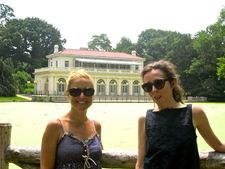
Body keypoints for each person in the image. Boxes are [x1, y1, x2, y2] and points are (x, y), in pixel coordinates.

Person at [135, 60, 225, 169]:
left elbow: (218, 145)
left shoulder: (194, 113)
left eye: (158, 83)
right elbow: (140, 164)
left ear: (173, 83)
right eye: (147, 87)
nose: (153, 90)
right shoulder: (144, 119)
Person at [41, 69, 103, 169]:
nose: (82, 96)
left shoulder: (96, 126)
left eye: (88, 91)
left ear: (93, 94)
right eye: (75, 91)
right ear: (67, 93)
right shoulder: (55, 126)